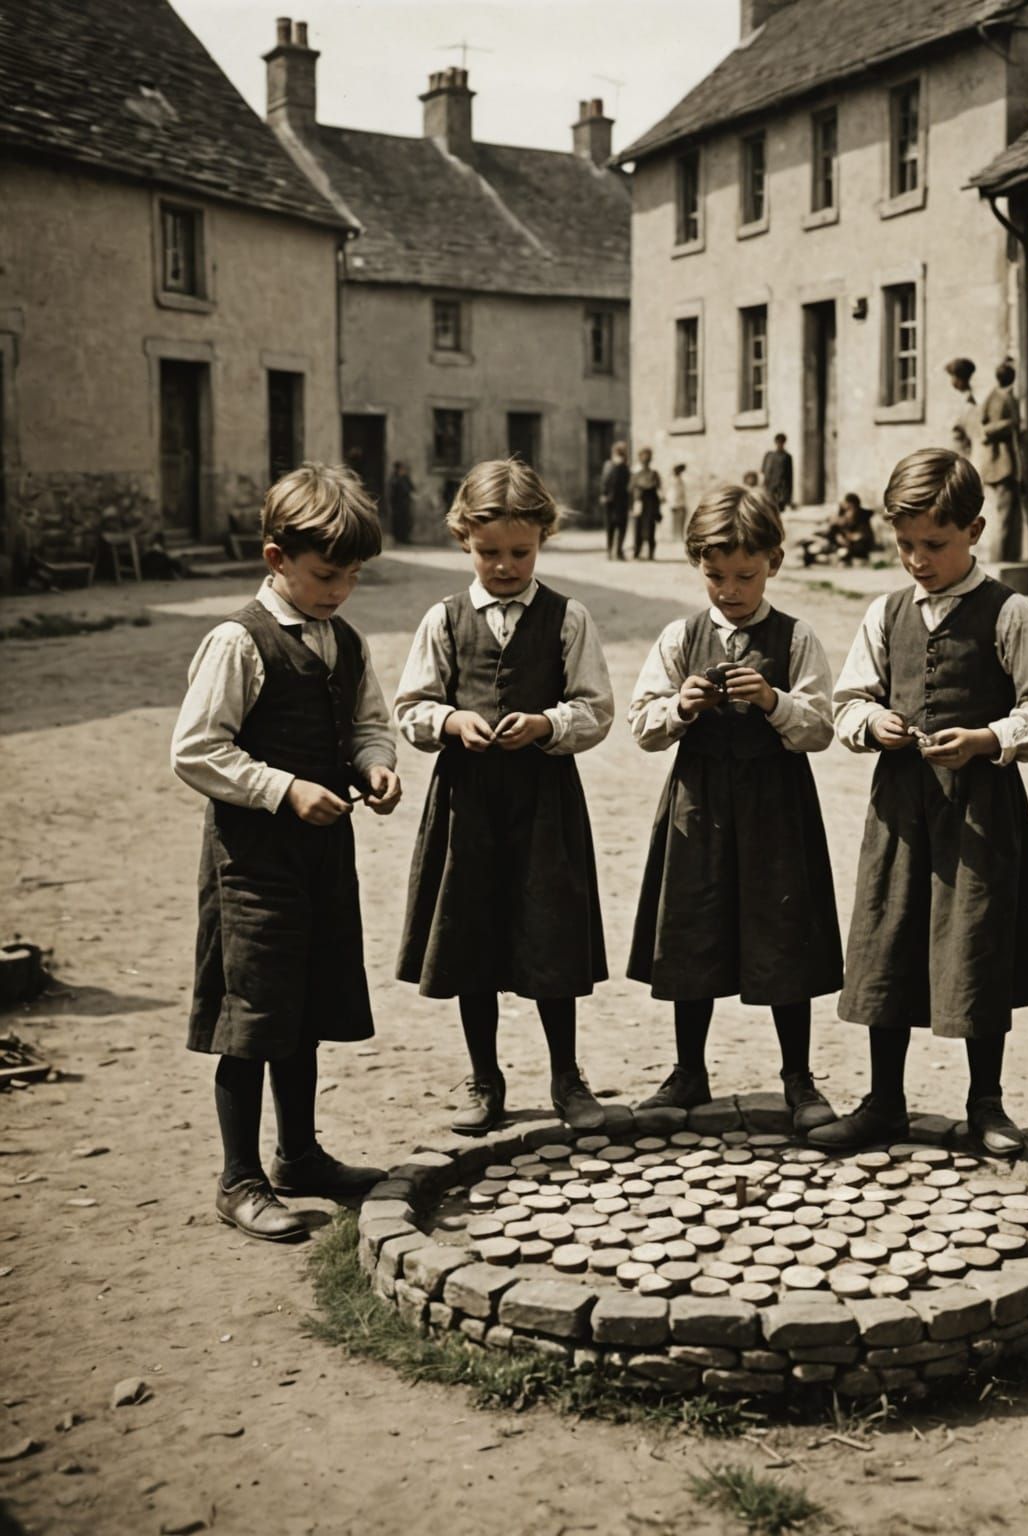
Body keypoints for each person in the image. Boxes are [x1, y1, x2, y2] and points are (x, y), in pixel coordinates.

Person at [810, 448, 1028, 1155]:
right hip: (900, 809)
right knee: (888, 941)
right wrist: (873, 723)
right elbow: (849, 701)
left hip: (981, 813)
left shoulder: (1009, 613)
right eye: (905, 545)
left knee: (978, 946)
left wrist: (989, 738)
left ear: (975, 531)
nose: (918, 560)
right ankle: (883, 1101)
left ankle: (986, 1103)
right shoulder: (885, 611)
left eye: (935, 544)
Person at [171, 464, 402, 1243]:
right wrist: (283, 789)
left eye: (352, 577)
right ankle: (240, 1178)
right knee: (255, 1014)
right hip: (256, 864)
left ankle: (299, 1154)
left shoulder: (344, 640)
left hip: (322, 857)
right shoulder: (239, 641)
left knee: (303, 1006)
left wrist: (375, 765)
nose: (339, 591)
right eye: (325, 575)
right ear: (277, 560)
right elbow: (197, 750)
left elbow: (371, 723)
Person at [395, 458, 614, 1135]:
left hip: (544, 804)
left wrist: (549, 723)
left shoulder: (567, 616)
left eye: (520, 552)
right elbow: (410, 705)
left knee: (551, 935)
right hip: (469, 805)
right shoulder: (444, 618)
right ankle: (483, 1077)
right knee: (473, 940)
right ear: (463, 538)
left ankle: (566, 1074)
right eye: (490, 552)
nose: (505, 566)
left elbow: (598, 707)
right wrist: (451, 722)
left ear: (542, 540)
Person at [627, 483, 842, 1133]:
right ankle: (688, 1070)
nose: (729, 590)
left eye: (745, 575)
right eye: (715, 576)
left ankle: (798, 1076)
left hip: (776, 806)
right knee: (692, 927)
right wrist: (681, 706)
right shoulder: (680, 636)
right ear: (697, 567)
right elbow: (642, 724)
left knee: (784, 934)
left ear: (773, 563)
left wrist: (775, 702)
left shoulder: (795, 636)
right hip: (699, 804)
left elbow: (821, 726)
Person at [979, 362, 1023, 564]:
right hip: (1002, 463)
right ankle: (1001, 560)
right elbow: (985, 428)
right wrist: (1010, 424)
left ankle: (1009, 556)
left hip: (1007, 463)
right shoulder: (998, 397)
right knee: (1004, 515)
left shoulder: (998, 396)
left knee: (1009, 515)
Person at [800, 493, 876, 567]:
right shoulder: (840, 520)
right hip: (838, 544)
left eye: (850, 509)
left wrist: (849, 537)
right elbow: (833, 532)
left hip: (854, 547)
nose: (847, 514)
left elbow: (863, 536)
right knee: (816, 546)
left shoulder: (862, 519)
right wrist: (837, 535)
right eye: (846, 510)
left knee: (844, 552)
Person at [630, 447, 662, 561]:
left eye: (647, 458)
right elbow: (631, 489)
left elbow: (658, 490)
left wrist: (658, 508)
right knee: (638, 529)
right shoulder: (636, 474)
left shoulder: (654, 474)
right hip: (639, 504)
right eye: (643, 458)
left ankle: (650, 553)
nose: (645, 461)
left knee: (650, 529)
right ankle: (637, 552)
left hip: (650, 505)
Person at [600, 442, 630, 561]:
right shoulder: (612, 466)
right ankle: (612, 551)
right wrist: (603, 494)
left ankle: (616, 551)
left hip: (618, 501)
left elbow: (628, 484)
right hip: (614, 501)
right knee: (613, 527)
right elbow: (604, 481)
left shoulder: (623, 467)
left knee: (617, 527)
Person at [386, 461, 415, 546]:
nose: (403, 470)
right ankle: (398, 538)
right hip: (397, 504)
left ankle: (405, 538)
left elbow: (411, 488)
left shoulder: (405, 478)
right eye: (401, 469)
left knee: (406, 521)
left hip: (405, 503)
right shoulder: (394, 479)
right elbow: (392, 493)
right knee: (397, 521)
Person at [761, 433, 793, 509]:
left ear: (784, 443)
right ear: (775, 442)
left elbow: (790, 475)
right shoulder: (769, 455)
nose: (780, 444)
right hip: (770, 487)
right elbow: (763, 470)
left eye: (782, 442)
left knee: (780, 508)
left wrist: (788, 495)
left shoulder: (787, 457)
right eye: (778, 442)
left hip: (781, 488)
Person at [668, 463, 689, 544]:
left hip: (678, 502)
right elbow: (673, 492)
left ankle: (678, 536)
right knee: (678, 520)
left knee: (679, 520)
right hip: (677, 503)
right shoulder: (675, 480)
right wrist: (673, 503)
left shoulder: (677, 479)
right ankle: (677, 536)